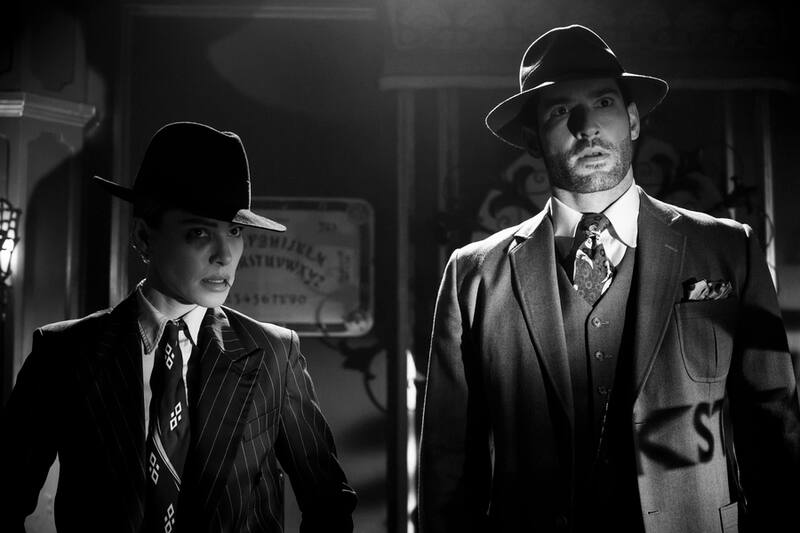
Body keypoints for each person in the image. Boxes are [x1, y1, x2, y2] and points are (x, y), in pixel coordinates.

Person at [418, 25, 799, 533]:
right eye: (560, 111)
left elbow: (774, 431)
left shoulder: (728, 249)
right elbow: (448, 462)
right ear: (532, 137)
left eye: (603, 103)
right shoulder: (475, 274)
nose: (587, 127)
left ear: (633, 120)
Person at [1, 122, 357, 532]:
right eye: (199, 232)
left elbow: (329, 501)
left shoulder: (273, 353)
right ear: (143, 237)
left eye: (235, 231)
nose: (224, 255)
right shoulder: (65, 352)